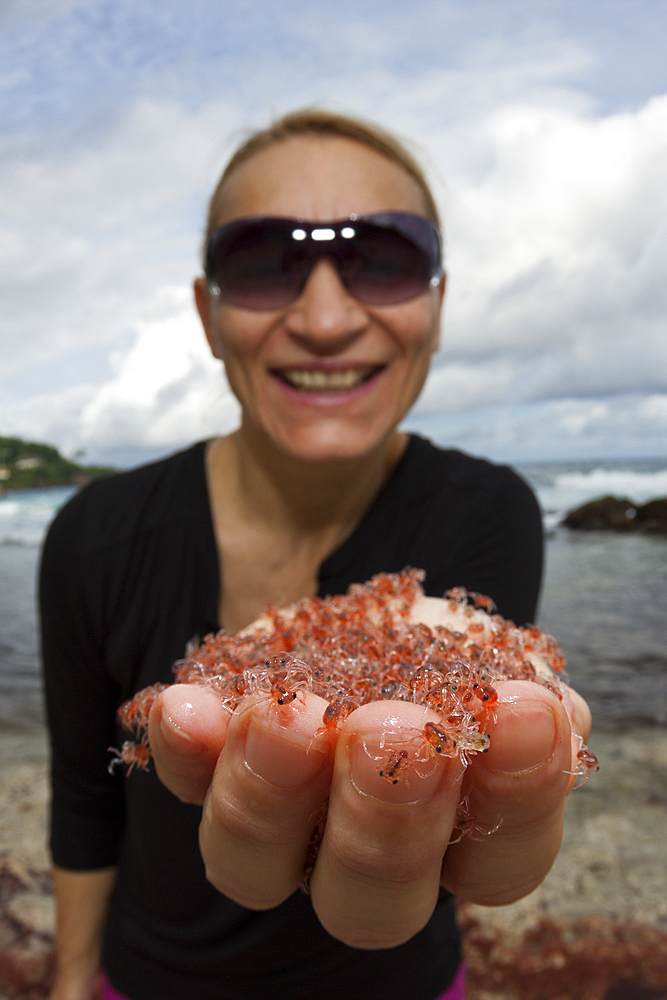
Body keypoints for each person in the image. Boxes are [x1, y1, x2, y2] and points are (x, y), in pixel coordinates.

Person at [40, 108, 592, 1000]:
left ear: (438, 306)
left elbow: (461, 777)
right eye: (264, 262)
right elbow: (85, 795)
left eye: (384, 256)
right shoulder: (94, 536)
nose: (327, 317)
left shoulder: (488, 511)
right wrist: (69, 981)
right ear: (206, 314)